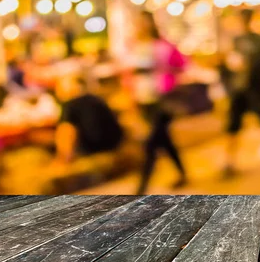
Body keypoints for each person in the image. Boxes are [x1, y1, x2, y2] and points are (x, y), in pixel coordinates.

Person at [126, 11, 189, 194]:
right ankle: (182, 173)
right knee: (163, 139)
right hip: (143, 98)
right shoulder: (133, 46)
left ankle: (142, 187)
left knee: (151, 143)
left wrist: (168, 78)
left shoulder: (162, 46)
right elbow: (129, 74)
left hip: (162, 99)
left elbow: (182, 65)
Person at [219, 8, 260, 177]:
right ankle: (229, 161)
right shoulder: (236, 40)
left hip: (256, 88)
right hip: (238, 90)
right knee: (233, 124)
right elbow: (227, 65)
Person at [54, 75, 124, 167]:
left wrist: (62, 162)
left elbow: (67, 133)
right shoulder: (96, 99)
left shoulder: (70, 105)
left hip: (92, 151)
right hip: (115, 146)